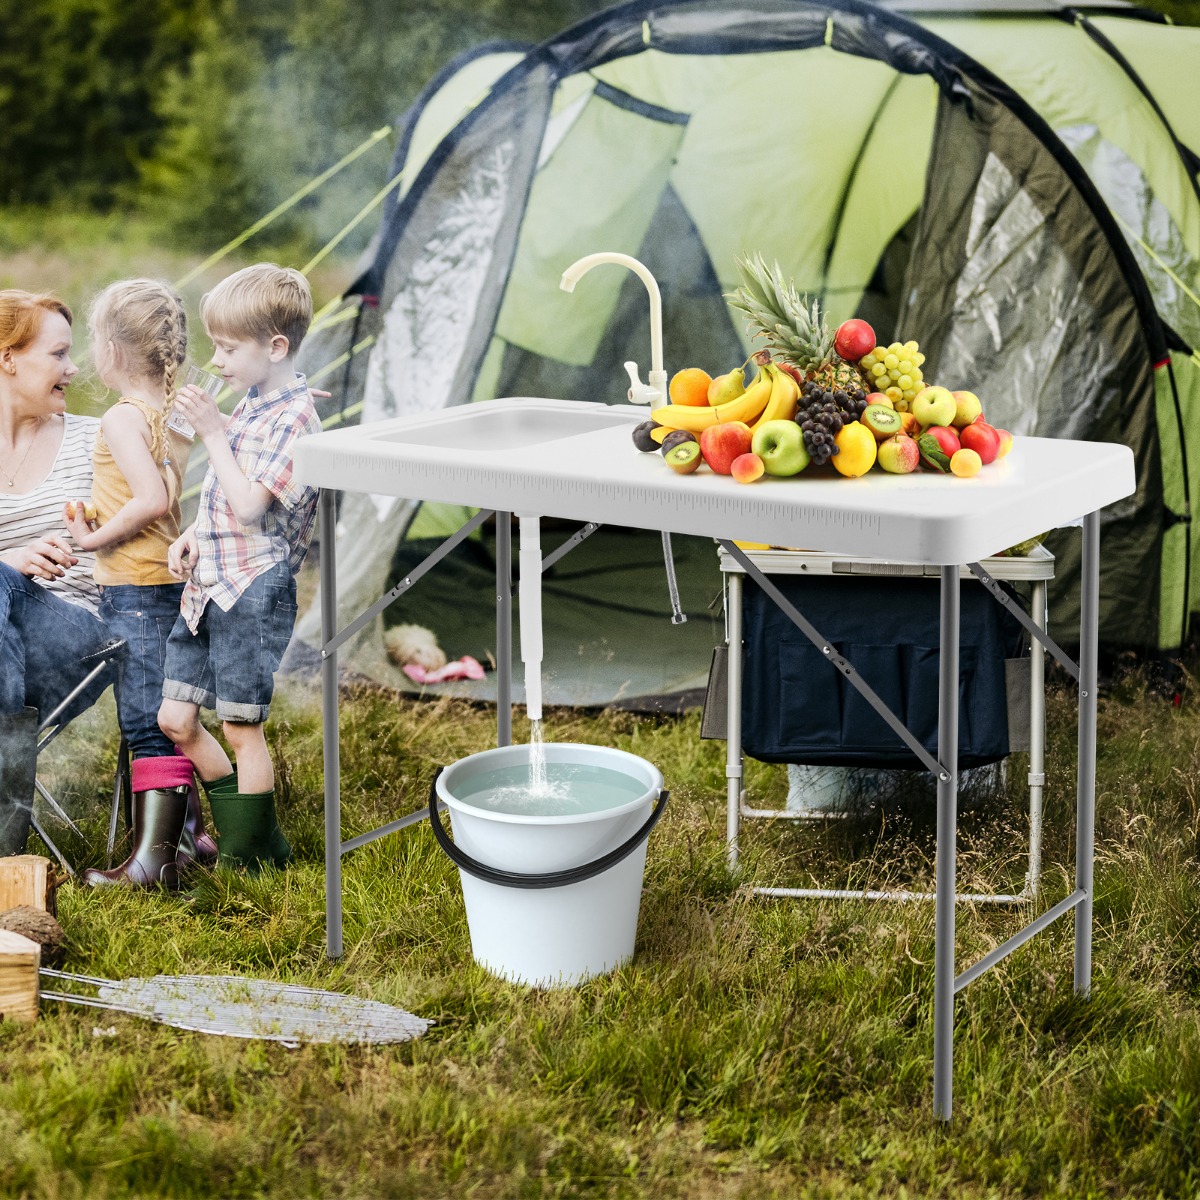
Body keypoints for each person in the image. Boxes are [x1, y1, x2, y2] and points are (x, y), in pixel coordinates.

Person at [157, 263, 320, 871]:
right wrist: (196, 532)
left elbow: (252, 505)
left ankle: (245, 859)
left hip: (254, 589)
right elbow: (227, 498)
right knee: (175, 718)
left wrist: (210, 434)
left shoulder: (296, 420)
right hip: (210, 586)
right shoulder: (254, 402)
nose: (217, 361)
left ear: (275, 347)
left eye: (228, 348)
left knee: (241, 728)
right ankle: (260, 844)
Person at [63, 279, 218, 888]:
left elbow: (151, 500)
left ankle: (152, 866)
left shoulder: (124, 417)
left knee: (145, 722)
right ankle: (188, 837)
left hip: (135, 588)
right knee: (161, 705)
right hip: (164, 584)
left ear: (114, 350)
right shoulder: (172, 411)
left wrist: (92, 540)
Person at [0, 290, 113, 856]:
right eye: (59, 354)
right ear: (8, 359)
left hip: (76, 639)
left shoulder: (98, 440)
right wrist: (9, 562)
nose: (74, 369)